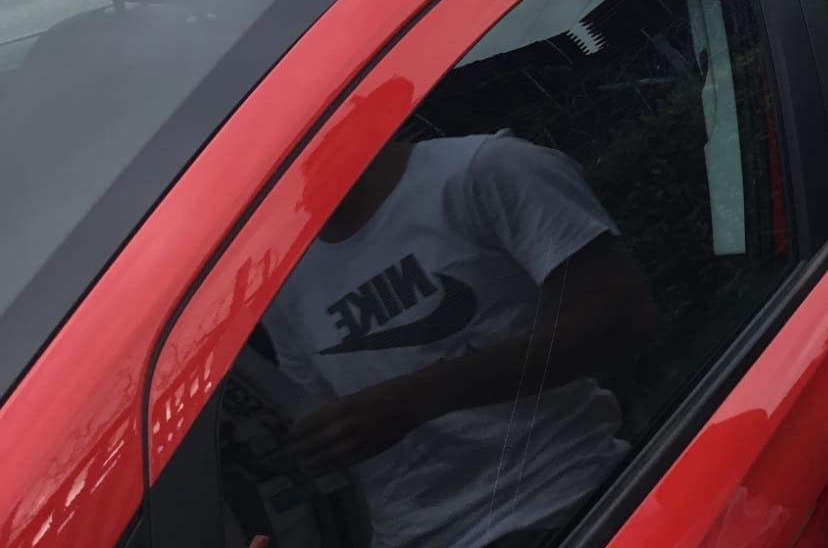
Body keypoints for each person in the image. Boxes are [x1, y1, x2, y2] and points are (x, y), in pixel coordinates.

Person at [259, 131, 659, 547]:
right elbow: (323, 432)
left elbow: (623, 316)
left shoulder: (485, 170)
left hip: (564, 510)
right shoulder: (280, 283)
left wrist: (416, 399)